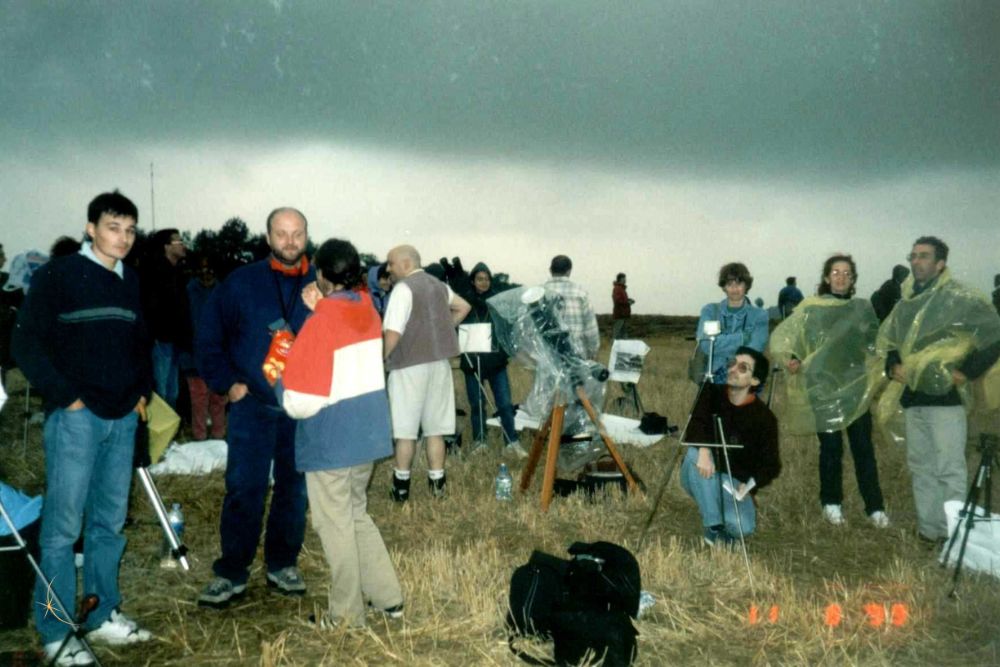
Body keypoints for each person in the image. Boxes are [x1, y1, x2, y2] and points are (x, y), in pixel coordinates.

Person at [13, 191, 154, 663]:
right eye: (114, 227)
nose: (123, 238)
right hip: (77, 418)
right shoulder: (59, 276)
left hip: (122, 419)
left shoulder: (130, 281)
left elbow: (140, 343)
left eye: (131, 230)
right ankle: (56, 630)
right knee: (61, 530)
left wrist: (141, 394)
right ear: (91, 228)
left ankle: (101, 613)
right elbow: (25, 343)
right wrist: (66, 397)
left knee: (108, 525)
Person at [275, 239, 404, 628]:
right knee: (356, 516)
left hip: (332, 443)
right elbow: (344, 324)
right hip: (367, 437)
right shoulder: (367, 308)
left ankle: (346, 616)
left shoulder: (321, 323)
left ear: (320, 274)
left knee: (335, 527)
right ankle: (389, 599)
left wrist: (278, 370)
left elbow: (300, 403)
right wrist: (324, 304)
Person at [195, 207, 314, 607]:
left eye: (297, 234)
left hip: (301, 409)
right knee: (244, 488)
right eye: (282, 234)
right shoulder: (240, 283)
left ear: (307, 236)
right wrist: (228, 384)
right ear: (268, 238)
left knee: (294, 489)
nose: (290, 242)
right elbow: (208, 337)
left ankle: (282, 563)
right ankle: (231, 571)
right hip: (252, 406)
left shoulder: (322, 286)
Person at [877, 236, 1000, 542]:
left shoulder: (959, 298)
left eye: (924, 256)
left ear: (940, 263)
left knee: (949, 469)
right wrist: (892, 365)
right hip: (914, 398)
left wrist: (966, 371)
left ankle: (955, 535)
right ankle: (928, 531)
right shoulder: (906, 303)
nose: (916, 262)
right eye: (913, 256)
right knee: (921, 467)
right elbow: (891, 341)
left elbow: (994, 335)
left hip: (946, 400)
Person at [770, 254, 889, 528]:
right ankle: (831, 503)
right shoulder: (811, 307)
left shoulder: (861, 308)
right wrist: (791, 357)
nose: (841, 277)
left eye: (847, 273)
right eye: (835, 272)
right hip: (822, 386)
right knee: (831, 448)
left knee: (863, 448)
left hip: (855, 387)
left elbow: (874, 343)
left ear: (853, 279)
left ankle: (875, 507)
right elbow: (792, 338)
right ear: (826, 277)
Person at [383, 244, 470, 502]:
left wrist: (383, 361)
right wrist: (441, 331)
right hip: (439, 366)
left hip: (409, 368)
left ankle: (401, 487)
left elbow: (393, 333)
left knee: (405, 431)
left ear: (406, 263)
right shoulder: (438, 285)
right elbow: (463, 307)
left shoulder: (403, 289)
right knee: (436, 430)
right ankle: (437, 485)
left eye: (391, 263)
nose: (388, 269)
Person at [680, 346, 781, 545]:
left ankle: (711, 507)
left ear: (755, 381)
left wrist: (749, 484)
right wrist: (705, 450)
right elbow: (696, 424)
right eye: (732, 363)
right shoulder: (710, 392)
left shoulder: (764, 418)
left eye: (742, 368)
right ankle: (714, 528)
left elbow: (771, 464)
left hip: (731, 484)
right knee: (694, 453)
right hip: (698, 471)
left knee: (743, 527)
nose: (733, 369)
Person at [459, 262, 520, 455]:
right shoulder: (464, 302)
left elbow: (506, 328)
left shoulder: (498, 300)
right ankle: (480, 441)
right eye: (479, 279)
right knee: (477, 404)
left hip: (496, 362)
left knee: (504, 404)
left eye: (486, 279)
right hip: (472, 361)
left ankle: (511, 442)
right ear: (473, 280)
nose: (483, 282)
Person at [140, 228, 191, 408]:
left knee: (172, 391)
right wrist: (154, 336)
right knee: (160, 390)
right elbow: (150, 309)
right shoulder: (155, 272)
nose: (184, 245)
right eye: (178, 241)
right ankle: (157, 434)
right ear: (166, 247)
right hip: (161, 341)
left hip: (175, 341)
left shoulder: (177, 272)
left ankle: (169, 432)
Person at [695, 262, 769, 384]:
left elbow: (755, 349)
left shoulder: (760, 315)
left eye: (739, 283)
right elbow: (706, 345)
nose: (734, 288)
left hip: (744, 377)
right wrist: (743, 338)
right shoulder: (710, 310)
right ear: (723, 287)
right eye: (729, 284)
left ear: (746, 285)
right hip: (713, 375)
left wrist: (719, 342)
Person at [185, 255, 227, 440]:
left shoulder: (223, 291)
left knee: (219, 399)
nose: (206, 272)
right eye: (202, 268)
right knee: (198, 400)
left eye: (210, 268)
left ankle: (219, 437)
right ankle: (199, 438)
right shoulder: (188, 291)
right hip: (193, 356)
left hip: (219, 356)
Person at [544, 255, 599, 360]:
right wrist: (593, 351)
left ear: (550, 270)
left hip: (548, 358)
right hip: (576, 356)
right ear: (569, 271)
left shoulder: (540, 292)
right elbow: (591, 329)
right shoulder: (580, 293)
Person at [611, 272, 635, 340]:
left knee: (623, 334)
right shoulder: (617, 288)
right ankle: (614, 348)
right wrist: (627, 302)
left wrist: (628, 300)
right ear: (620, 279)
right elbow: (617, 300)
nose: (625, 280)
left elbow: (621, 299)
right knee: (617, 334)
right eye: (624, 278)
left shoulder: (621, 289)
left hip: (623, 315)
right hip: (620, 315)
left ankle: (623, 349)